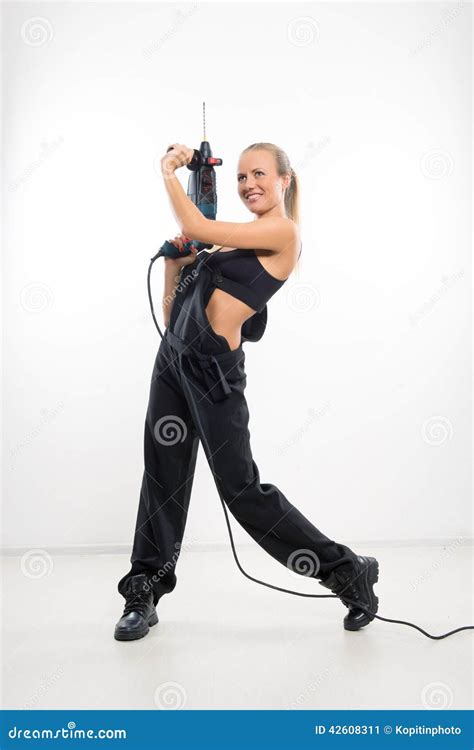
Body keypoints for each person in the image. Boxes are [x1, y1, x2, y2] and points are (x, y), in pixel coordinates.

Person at [114, 142, 379, 641]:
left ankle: (347, 571)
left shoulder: (282, 232)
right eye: (240, 177)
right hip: (173, 358)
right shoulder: (228, 244)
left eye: (258, 174)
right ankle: (142, 590)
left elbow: (198, 225)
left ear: (284, 180)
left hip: (213, 373)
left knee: (241, 491)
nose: (248, 184)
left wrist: (169, 173)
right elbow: (175, 314)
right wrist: (178, 261)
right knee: (162, 474)